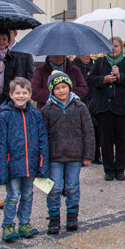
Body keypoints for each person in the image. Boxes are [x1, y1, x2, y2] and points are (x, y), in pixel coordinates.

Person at [0, 77, 49, 241]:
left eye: (24, 93)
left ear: (30, 94)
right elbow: (0, 144)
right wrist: (2, 168)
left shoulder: (35, 114)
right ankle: (8, 225)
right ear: (11, 95)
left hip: (31, 163)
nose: (21, 96)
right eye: (17, 93)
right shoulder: (5, 116)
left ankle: (24, 222)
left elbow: (42, 139)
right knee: (12, 196)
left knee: (27, 195)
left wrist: (42, 163)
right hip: (13, 164)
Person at [42, 71, 95, 233]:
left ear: (69, 87)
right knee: (55, 188)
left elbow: (88, 132)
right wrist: (42, 158)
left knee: (72, 187)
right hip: (54, 156)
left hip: (74, 155)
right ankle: (54, 219)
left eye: (64, 87)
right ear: (52, 90)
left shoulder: (80, 107)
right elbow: (42, 135)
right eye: (57, 88)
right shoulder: (47, 109)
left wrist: (88, 155)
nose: (61, 91)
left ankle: (72, 217)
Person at [86, 37, 125, 181]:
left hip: (122, 107)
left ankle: (120, 169)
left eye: (115, 46)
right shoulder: (99, 62)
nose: (113, 48)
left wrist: (120, 76)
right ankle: (109, 169)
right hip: (104, 107)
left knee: (121, 140)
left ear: (121, 48)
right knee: (106, 140)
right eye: (110, 46)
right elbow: (90, 80)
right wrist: (104, 79)